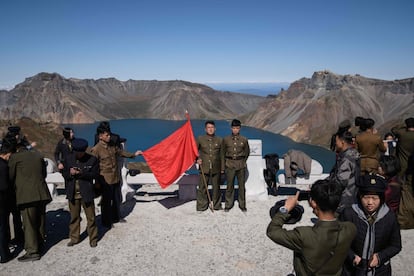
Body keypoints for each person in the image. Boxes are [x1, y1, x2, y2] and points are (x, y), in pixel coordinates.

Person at [267, 179, 357, 276]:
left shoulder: (304, 235)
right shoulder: (350, 229)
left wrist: (286, 208)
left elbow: (272, 231)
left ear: (313, 203)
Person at [341, 174, 402, 275]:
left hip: (380, 271)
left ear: (381, 198)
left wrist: (380, 257)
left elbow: (396, 246)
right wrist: (352, 256)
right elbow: (340, 241)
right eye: (366, 197)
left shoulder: (389, 217)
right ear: (360, 196)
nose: (370, 202)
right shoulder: (349, 214)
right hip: (352, 270)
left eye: (374, 198)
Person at [8, 141, 52, 262]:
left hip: (27, 196)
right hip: (42, 193)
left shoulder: (15, 158)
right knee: (40, 221)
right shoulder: (37, 155)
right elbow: (44, 173)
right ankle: (41, 244)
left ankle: (32, 251)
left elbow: (10, 176)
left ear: (16, 149)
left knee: (29, 224)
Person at [91, 125, 142, 228]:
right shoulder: (96, 149)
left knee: (116, 199)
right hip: (105, 180)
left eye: (109, 134)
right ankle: (106, 221)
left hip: (115, 177)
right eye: (107, 135)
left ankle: (116, 217)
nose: (109, 136)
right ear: (101, 136)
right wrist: (97, 182)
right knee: (106, 201)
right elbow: (94, 167)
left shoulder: (112, 145)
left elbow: (121, 152)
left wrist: (134, 155)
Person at [61, 138, 99, 247]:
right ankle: (74, 238)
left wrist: (81, 173)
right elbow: (64, 173)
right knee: (74, 217)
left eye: (81, 153)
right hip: (72, 192)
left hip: (86, 192)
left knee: (91, 217)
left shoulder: (92, 160)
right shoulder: (68, 159)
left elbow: (94, 175)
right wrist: (70, 173)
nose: (79, 155)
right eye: (77, 153)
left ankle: (93, 238)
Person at [328, 131, 360, 217]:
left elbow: (341, 181)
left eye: (336, 141)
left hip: (344, 198)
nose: (335, 143)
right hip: (352, 195)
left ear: (342, 142)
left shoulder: (346, 159)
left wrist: (326, 187)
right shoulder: (353, 154)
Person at [222, 119, 250, 212]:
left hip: (241, 165)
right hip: (229, 164)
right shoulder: (226, 139)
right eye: (234, 128)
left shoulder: (244, 139)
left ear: (240, 128)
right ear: (231, 128)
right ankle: (228, 205)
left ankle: (242, 205)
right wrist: (224, 166)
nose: (235, 130)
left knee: (241, 186)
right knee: (229, 186)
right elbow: (222, 153)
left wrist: (243, 161)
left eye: (237, 128)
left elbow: (247, 152)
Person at [196, 120, 224, 211]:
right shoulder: (200, 139)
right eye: (208, 128)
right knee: (202, 187)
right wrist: (197, 159)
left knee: (216, 188)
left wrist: (222, 168)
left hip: (216, 167)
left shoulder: (220, 140)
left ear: (215, 129)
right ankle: (202, 206)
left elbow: (222, 155)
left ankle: (217, 205)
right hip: (204, 167)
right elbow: (194, 152)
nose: (210, 129)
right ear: (205, 129)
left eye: (212, 127)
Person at [391, 117, 414, 228]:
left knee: (400, 188)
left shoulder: (402, 134)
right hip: (412, 165)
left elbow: (393, 129)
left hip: (402, 164)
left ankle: (401, 209)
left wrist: (402, 125)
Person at [0, 139, 15, 263]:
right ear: (7, 153)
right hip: (2, 201)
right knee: (2, 227)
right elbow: (5, 186)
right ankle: (4, 255)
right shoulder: (4, 166)